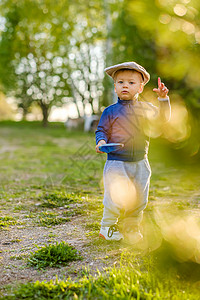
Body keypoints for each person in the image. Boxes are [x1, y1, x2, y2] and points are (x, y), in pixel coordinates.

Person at [95, 61, 171, 244]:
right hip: (116, 162)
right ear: (115, 87)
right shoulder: (110, 111)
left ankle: (131, 228)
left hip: (140, 162)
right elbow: (101, 130)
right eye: (120, 82)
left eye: (130, 82)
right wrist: (102, 142)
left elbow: (163, 120)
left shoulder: (147, 109)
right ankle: (107, 227)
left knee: (139, 198)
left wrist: (163, 100)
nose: (125, 86)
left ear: (140, 87)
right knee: (115, 197)